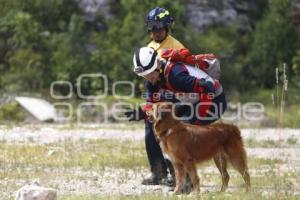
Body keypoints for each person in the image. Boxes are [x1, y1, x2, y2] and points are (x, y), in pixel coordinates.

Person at [126, 47, 227, 188]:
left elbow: (208, 89)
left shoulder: (176, 76)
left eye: (149, 74)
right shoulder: (152, 82)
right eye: (144, 76)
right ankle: (179, 178)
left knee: (179, 133)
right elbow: (151, 105)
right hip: (192, 101)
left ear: (157, 66)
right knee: (167, 129)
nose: (148, 79)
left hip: (214, 100)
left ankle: (188, 183)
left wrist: (195, 123)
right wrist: (142, 113)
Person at [126, 7, 185, 186]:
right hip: (154, 90)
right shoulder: (149, 47)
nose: (155, 32)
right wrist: (148, 107)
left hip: (173, 92)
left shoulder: (177, 47)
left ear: (168, 27)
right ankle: (157, 173)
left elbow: (180, 78)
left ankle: (176, 175)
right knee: (149, 130)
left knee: (167, 133)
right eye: (151, 29)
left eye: (159, 28)